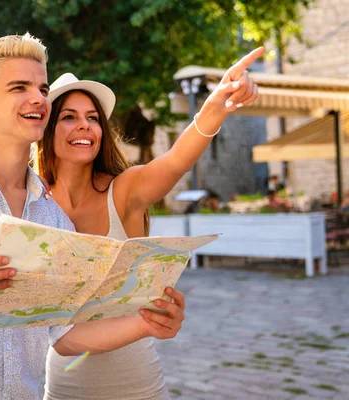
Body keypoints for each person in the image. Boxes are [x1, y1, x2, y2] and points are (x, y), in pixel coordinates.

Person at [0, 33, 187, 399]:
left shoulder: (53, 218)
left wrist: (149, 323)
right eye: (19, 87)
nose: (39, 98)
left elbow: (65, 335)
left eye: (42, 88)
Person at [36, 47, 263, 399]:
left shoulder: (123, 191)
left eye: (92, 117)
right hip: (64, 388)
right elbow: (54, 331)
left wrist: (217, 103)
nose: (83, 124)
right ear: (48, 130)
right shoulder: (32, 203)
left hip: (136, 384)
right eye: (68, 116)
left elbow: (175, 162)